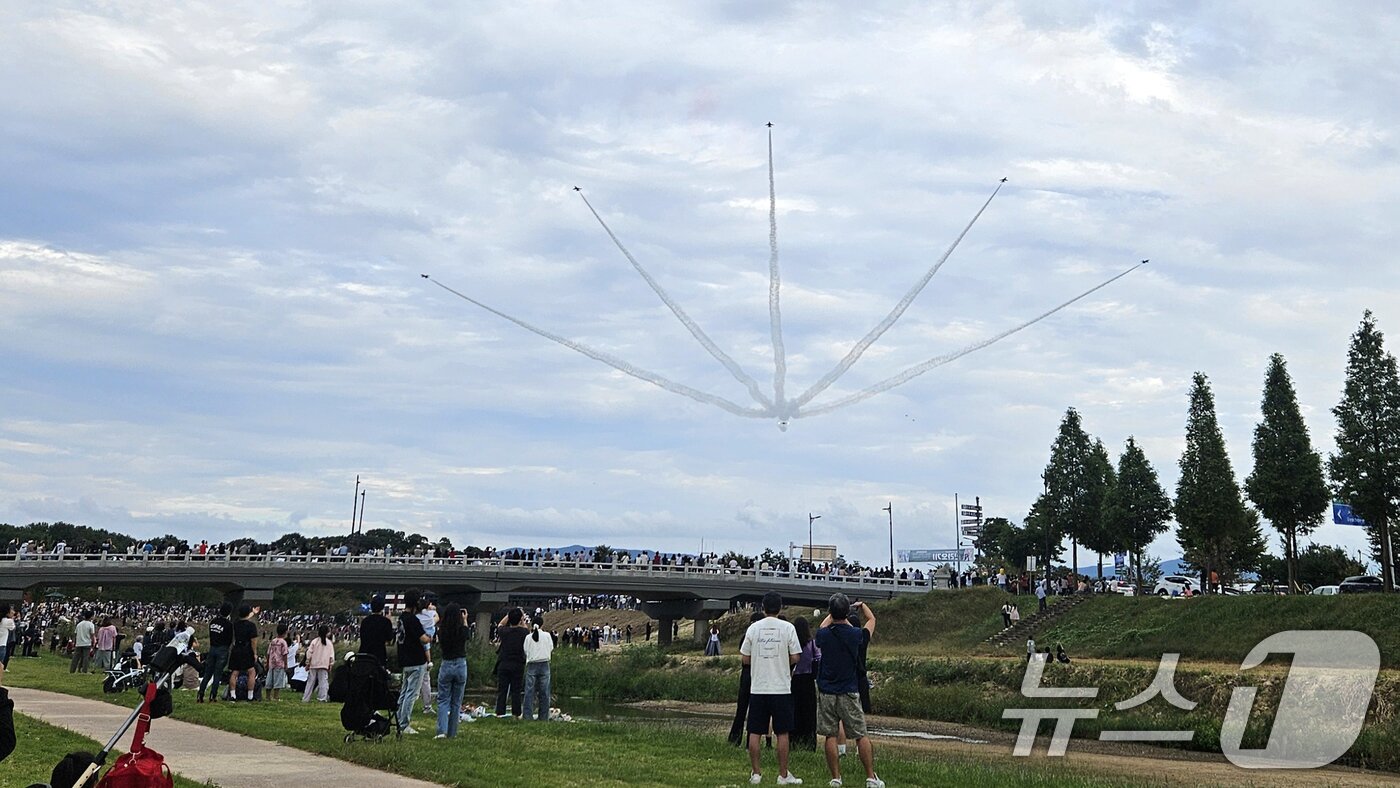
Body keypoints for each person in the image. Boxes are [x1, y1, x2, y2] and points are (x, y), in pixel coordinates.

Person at [815, 594, 882, 788]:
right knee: (860, 734)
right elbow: (872, 620)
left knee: (830, 735)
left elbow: (822, 626)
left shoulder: (824, 635)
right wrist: (861, 606)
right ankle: (870, 777)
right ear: (847, 612)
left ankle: (836, 778)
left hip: (827, 690)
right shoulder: (856, 635)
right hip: (848, 690)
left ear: (830, 612)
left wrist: (833, 613)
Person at [739, 591, 803, 786]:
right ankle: (783, 774)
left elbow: (745, 658)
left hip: (758, 687)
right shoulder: (788, 628)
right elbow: (796, 656)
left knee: (755, 731)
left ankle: (756, 773)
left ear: (763, 607)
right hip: (781, 687)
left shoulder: (753, 628)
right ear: (781, 607)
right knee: (783, 732)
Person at [395, 589, 431, 733]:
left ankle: (398, 719)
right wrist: (430, 637)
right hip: (416, 660)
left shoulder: (401, 618)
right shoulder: (413, 620)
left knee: (404, 692)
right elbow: (423, 638)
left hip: (405, 660)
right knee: (412, 694)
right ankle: (404, 725)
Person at [728, 611, 764, 746]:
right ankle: (751, 742)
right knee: (754, 711)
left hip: (746, 674)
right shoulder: (763, 637)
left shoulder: (747, 635)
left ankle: (734, 739)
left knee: (741, 709)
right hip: (758, 674)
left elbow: (744, 657)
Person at [434, 603, 468, 739]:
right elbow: (467, 635)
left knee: (443, 700)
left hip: (446, 663)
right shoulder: (462, 630)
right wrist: (465, 620)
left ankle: (441, 730)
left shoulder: (442, 630)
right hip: (460, 664)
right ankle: (452, 732)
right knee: (456, 702)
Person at [790, 617, 820, 752]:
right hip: (808, 681)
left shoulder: (791, 643)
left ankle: (793, 741)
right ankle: (810, 743)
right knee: (809, 713)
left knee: (794, 711)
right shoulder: (812, 643)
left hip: (793, 681)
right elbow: (818, 659)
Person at [494, 608, 528, 718]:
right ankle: (516, 713)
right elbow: (526, 627)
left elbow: (500, 624)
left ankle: (500, 712)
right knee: (516, 690)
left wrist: (509, 615)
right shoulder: (523, 632)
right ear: (520, 620)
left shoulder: (504, 631)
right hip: (518, 664)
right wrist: (522, 619)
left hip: (504, 663)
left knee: (502, 690)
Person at [522, 612, 554, 722]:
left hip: (532, 665)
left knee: (529, 692)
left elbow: (525, 650)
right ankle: (543, 717)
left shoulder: (528, 637)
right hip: (544, 664)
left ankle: (527, 716)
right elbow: (551, 648)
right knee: (544, 693)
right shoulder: (547, 635)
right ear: (542, 625)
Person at [198, 602, 233, 704]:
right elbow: (230, 639)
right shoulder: (228, 624)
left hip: (212, 648)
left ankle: (200, 694)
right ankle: (212, 696)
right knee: (217, 674)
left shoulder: (213, 622)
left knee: (207, 673)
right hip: (222, 649)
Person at [227, 603, 259, 701]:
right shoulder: (251, 626)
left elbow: (244, 618)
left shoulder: (235, 624)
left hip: (236, 648)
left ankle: (233, 695)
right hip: (247, 649)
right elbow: (253, 641)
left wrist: (253, 613)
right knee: (251, 672)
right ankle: (250, 696)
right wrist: (255, 653)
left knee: (234, 672)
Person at [358, 595, 394, 664]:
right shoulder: (385, 622)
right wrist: (389, 621)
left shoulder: (365, 621)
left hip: (363, 656)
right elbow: (389, 639)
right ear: (382, 607)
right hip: (379, 657)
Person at [303, 624, 333, 702]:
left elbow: (309, 653)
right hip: (324, 664)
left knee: (310, 682)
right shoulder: (329, 643)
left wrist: (308, 662)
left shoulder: (315, 641)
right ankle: (322, 698)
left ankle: (306, 698)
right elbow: (331, 656)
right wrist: (331, 664)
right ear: (327, 633)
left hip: (314, 664)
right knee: (323, 682)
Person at [266, 624, 289, 701]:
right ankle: (276, 697)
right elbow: (284, 654)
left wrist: (267, 662)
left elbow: (268, 653)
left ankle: (268, 696)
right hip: (279, 664)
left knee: (269, 680)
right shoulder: (283, 642)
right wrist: (286, 664)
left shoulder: (273, 641)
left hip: (271, 663)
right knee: (278, 681)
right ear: (285, 632)